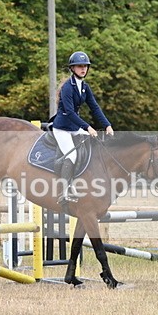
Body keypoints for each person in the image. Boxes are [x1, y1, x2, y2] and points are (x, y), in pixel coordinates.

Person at [53, 51, 114, 204]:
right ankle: (64, 192)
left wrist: (107, 125)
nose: (83, 69)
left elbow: (95, 108)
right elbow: (70, 112)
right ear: (72, 69)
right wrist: (88, 128)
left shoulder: (85, 87)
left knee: (95, 148)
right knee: (72, 156)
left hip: (74, 127)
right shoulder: (68, 87)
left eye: (85, 66)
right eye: (79, 66)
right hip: (62, 128)